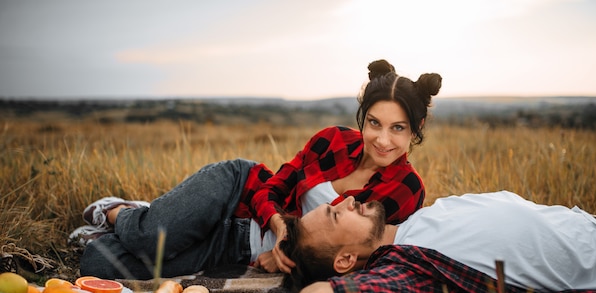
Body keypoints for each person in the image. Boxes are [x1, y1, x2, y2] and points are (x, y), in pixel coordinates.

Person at [72, 59, 443, 280]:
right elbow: (272, 188)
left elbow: (362, 258)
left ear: (417, 127)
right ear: (363, 118)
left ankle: (146, 220)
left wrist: (293, 259)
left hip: (239, 246)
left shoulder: (407, 189)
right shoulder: (332, 140)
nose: (382, 140)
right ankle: (120, 211)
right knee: (146, 238)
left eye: (398, 129)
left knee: (98, 263)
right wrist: (279, 225)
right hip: (237, 192)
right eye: (374, 123)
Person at [279, 191, 596, 293]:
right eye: (336, 215)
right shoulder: (407, 270)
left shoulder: (412, 225)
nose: (349, 200)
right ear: (345, 260)